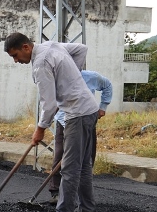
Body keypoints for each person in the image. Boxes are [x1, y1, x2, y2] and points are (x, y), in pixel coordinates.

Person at [4, 32, 99, 212]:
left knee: (70, 168)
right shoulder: (52, 46)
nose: (15, 61)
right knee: (83, 166)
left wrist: (40, 129)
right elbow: (81, 49)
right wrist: (73, 76)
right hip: (89, 109)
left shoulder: (40, 64)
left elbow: (49, 103)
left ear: (25, 48)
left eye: (15, 56)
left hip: (77, 112)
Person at [47, 70, 113, 204]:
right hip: (64, 120)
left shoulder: (90, 77)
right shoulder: (58, 77)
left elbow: (107, 85)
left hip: (86, 120)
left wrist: (103, 107)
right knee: (60, 155)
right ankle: (56, 192)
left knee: (87, 158)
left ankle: (81, 196)